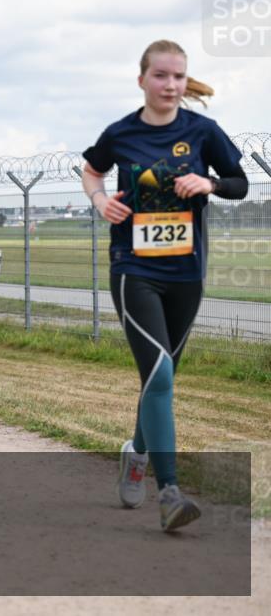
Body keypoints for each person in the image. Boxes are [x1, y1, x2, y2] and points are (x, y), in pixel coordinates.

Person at [81, 40, 249, 532]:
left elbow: (239, 183)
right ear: (142, 80)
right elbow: (92, 171)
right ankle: (170, 493)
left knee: (163, 375)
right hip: (134, 269)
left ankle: (136, 452)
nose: (170, 85)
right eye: (160, 75)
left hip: (186, 274)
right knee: (158, 376)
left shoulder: (203, 131)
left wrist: (210, 184)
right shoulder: (121, 133)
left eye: (178, 76)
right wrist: (100, 202)